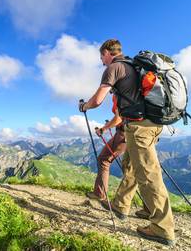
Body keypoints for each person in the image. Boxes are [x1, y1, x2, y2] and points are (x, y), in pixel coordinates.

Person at [79, 39, 175, 246]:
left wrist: (84, 106)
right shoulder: (133, 65)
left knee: (148, 174)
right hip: (147, 124)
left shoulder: (113, 67)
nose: (102, 62)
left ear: (106, 52)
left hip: (140, 128)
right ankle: (122, 206)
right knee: (131, 168)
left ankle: (162, 228)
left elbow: (97, 100)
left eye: (101, 57)